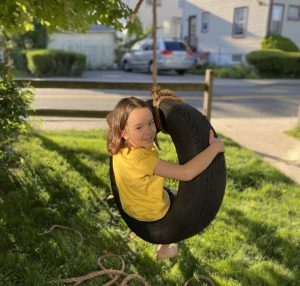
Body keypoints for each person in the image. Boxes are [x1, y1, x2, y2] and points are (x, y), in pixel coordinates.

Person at [107, 97, 224, 259]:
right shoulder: (142, 160)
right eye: (139, 127)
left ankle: (163, 248)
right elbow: (186, 173)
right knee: (179, 199)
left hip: (131, 205)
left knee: (173, 191)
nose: (148, 131)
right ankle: (163, 250)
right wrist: (215, 148)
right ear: (124, 132)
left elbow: (110, 119)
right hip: (151, 212)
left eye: (150, 123)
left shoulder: (118, 146)